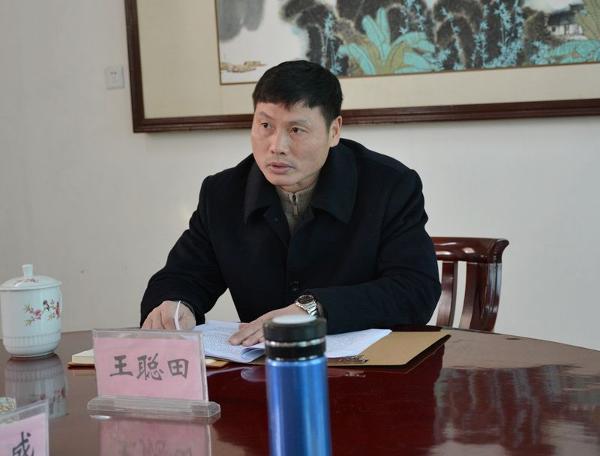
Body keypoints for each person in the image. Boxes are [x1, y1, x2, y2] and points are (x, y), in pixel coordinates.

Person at [140, 60, 440, 346]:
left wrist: (312, 310)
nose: (277, 146)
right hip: (261, 368)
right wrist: (176, 305)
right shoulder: (222, 193)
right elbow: (183, 276)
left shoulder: (389, 186)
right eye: (265, 125)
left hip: (368, 368)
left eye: (296, 130)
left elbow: (415, 290)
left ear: (334, 131)